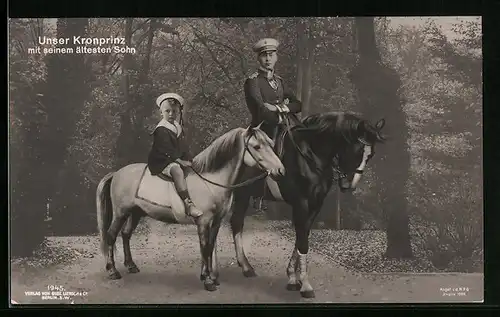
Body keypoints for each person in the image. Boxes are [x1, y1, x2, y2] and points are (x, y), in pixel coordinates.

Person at [147, 93, 203, 219]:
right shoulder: (161, 129)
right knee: (177, 170)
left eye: (174, 111)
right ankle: (188, 204)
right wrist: (180, 162)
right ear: (161, 112)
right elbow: (166, 149)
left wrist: (189, 158)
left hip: (174, 157)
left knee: (195, 168)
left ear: (178, 112)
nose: (171, 114)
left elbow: (183, 147)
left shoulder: (177, 127)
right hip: (162, 160)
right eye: (167, 111)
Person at [243, 38, 302, 142]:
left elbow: (298, 105)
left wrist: (277, 108)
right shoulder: (253, 81)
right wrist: (281, 119)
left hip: (285, 128)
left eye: (271, 55)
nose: (268, 59)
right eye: (264, 55)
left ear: (276, 58)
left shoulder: (279, 81)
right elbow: (261, 109)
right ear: (258, 59)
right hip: (262, 132)